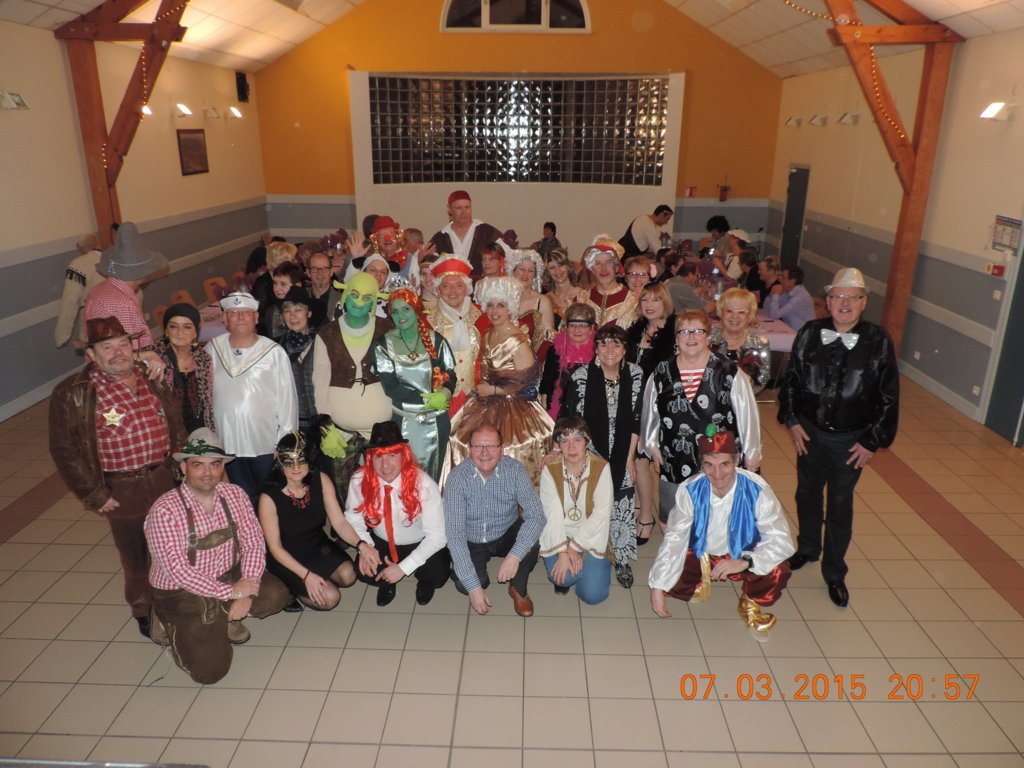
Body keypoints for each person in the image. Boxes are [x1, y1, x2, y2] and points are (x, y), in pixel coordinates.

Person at [49, 317, 186, 640]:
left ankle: (173, 603)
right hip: (122, 488)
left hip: (162, 479)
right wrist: (94, 493)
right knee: (136, 557)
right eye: (107, 347)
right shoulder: (74, 393)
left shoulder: (150, 377)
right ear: (91, 354)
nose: (118, 352)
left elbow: (175, 422)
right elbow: (65, 450)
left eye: (123, 344)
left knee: (170, 548)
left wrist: (181, 463)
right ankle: (144, 611)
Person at [779, 267, 899, 608]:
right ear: (827, 301)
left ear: (864, 302)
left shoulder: (878, 341)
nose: (844, 303)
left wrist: (872, 441)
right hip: (809, 433)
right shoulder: (809, 332)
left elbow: (889, 396)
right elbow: (791, 380)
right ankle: (807, 548)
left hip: (851, 440)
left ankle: (834, 572)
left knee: (840, 505)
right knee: (807, 494)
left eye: (852, 298)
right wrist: (792, 420)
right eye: (838, 297)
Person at [145, 428, 290, 683]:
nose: (208, 472)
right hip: (179, 590)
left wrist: (249, 590)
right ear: (183, 468)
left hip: (227, 572)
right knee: (210, 672)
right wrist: (232, 593)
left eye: (214, 464)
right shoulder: (165, 510)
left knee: (275, 595)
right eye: (198, 465)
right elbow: (178, 571)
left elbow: (254, 543)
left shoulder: (235, 495)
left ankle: (221, 614)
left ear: (223, 466)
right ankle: (165, 618)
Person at [648, 430, 794, 632]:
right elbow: (674, 538)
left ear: (736, 461)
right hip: (701, 553)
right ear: (701, 464)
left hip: (744, 553)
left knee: (778, 569)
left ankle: (750, 600)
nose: (717, 475)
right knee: (669, 578)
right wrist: (657, 585)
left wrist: (746, 561)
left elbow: (781, 540)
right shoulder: (690, 489)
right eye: (709, 465)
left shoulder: (758, 490)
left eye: (724, 464)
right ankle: (698, 582)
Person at [642, 310, 762, 525]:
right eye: (684, 331)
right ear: (676, 338)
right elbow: (650, 410)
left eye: (697, 331)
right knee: (674, 517)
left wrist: (752, 452)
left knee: (718, 517)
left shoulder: (729, 370)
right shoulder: (661, 371)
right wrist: (651, 444)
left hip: (719, 457)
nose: (691, 336)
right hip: (675, 454)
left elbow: (748, 414)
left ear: (708, 337)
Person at [445, 277, 554, 485]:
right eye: (490, 305)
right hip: (485, 402)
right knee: (458, 436)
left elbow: (528, 385)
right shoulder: (488, 334)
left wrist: (493, 390)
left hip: (516, 406)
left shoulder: (518, 341)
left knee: (510, 445)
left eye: (501, 305)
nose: (494, 311)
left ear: (510, 308)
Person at [563, 326, 643, 587]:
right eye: (604, 344)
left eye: (617, 344)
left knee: (622, 499)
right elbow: (571, 422)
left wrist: (630, 458)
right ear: (595, 348)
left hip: (623, 449)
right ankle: (580, 550)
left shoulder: (636, 374)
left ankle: (621, 557)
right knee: (588, 503)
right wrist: (579, 459)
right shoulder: (581, 376)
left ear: (625, 350)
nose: (610, 350)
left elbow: (636, 420)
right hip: (590, 451)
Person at [345, 421, 450, 606]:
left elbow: (438, 536)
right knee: (363, 571)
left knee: (437, 575)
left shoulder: (424, 485)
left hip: (419, 540)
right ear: (370, 458)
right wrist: (366, 547)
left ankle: (424, 582)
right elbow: (353, 518)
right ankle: (386, 582)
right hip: (381, 539)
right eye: (378, 457)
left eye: (392, 455)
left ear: (404, 456)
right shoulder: (359, 480)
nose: (385, 465)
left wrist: (403, 568)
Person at [208, 291, 298, 504]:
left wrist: (285, 443)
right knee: (240, 499)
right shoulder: (213, 349)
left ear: (256, 318)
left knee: (273, 498)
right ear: (224, 319)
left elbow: (287, 399)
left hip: (265, 444)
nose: (240, 317)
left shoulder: (273, 352)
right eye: (233, 312)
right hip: (227, 443)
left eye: (246, 312)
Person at [444, 423, 544, 616]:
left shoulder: (515, 470)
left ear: (502, 448)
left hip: (505, 531)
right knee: (466, 584)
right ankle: (472, 577)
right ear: (469, 448)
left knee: (532, 541)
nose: (484, 453)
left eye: (491, 446)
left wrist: (515, 555)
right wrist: (474, 588)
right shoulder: (457, 479)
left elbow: (536, 514)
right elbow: (454, 534)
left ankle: (518, 588)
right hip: (472, 538)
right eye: (478, 446)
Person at [258, 430, 361, 610]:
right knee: (330, 598)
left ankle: (318, 578)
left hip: (316, 545)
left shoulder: (321, 480)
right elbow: (275, 548)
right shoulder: (268, 498)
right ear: (278, 461)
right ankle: (289, 587)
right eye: (289, 461)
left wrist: (361, 545)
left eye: (301, 460)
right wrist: (306, 576)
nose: (296, 467)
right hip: (286, 555)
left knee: (349, 575)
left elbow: (339, 522)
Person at [372, 288, 457, 481]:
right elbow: (391, 387)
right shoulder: (383, 345)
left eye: (406, 309)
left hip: (437, 422)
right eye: (395, 311)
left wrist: (444, 394)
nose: (400, 315)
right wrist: (425, 400)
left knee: (434, 479)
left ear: (416, 310)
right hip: (403, 423)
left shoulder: (436, 340)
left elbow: (450, 374)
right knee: (403, 478)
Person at [539, 417, 614, 604]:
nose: (571, 447)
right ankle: (574, 572)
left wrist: (575, 547)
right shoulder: (550, 470)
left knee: (593, 596)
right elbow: (551, 515)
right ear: (559, 445)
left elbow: (601, 514)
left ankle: (589, 569)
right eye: (565, 441)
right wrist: (563, 553)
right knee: (563, 578)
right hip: (561, 534)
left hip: (592, 535)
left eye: (577, 440)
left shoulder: (601, 468)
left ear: (587, 442)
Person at [313, 272, 394, 439]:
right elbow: (320, 382)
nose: (359, 302)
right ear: (345, 296)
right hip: (341, 433)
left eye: (366, 297)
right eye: (354, 295)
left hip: (383, 433)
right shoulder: (327, 333)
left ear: (373, 302)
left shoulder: (387, 329)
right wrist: (326, 427)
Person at [625, 282, 676, 544]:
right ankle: (637, 507)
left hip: (659, 407)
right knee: (633, 458)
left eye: (655, 299)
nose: (649, 304)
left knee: (642, 460)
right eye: (645, 299)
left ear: (665, 302)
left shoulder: (674, 333)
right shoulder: (637, 330)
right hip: (632, 403)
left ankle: (646, 516)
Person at [83, 222, 167, 378]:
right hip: (118, 377)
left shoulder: (100, 289)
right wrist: (150, 357)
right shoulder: (121, 303)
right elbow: (123, 356)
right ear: (142, 272)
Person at [426, 255, 489, 412]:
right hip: (441, 402)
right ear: (438, 290)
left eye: (458, 286)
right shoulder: (426, 320)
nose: (453, 291)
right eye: (446, 286)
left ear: (467, 289)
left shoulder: (483, 317)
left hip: (478, 401)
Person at [156, 303, 214, 432]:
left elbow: (207, 402)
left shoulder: (203, 359)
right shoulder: (156, 357)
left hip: (199, 427)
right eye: (173, 326)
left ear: (195, 332)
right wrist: (146, 355)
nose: (180, 332)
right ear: (166, 331)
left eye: (187, 327)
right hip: (167, 429)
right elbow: (125, 357)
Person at [429, 190, 506, 280]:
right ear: (450, 209)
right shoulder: (440, 238)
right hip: (452, 288)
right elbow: (429, 267)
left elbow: (509, 255)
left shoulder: (487, 231)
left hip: (482, 287)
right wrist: (420, 259)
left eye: (467, 207)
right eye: (458, 208)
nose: (464, 211)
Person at [708, 288, 771, 394]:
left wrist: (738, 396)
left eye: (741, 312)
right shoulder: (707, 338)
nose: (735, 316)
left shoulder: (759, 344)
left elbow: (762, 379)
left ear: (749, 316)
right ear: (721, 313)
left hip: (743, 400)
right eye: (729, 311)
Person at [539, 302, 595, 418]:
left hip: (588, 408)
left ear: (591, 328)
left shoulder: (598, 352)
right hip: (558, 410)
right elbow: (546, 383)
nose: (577, 330)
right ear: (566, 327)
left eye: (582, 325)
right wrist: (545, 410)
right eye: (573, 325)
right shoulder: (555, 350)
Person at [277, 287, 318, 432]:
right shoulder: (277, 350)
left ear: (309, 313)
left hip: (323, 422)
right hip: (292, 425)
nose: (292, 316)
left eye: (298, 310)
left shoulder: (322, 343)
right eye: (287, 311)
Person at [55, 232, 104, 348]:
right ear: (98, 244)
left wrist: (61, 337)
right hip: (121, 321)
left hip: (93, 323)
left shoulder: (78, 265)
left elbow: (70, 301)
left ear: (80, 248)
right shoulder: (112, 259)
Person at [506, 248, 555, 353]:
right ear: (513, 271)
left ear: (535, 275)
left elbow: (548, 340)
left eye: (530, 271)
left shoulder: (543, 302)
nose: (525, 274)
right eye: (522, 269)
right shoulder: (502, 299)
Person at [582, 240, 638, 329]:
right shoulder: (581, 299)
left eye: (608, 262)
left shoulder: (634, 301)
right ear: (592, 269)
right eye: (598, 263)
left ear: (616, 267)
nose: (603, 268)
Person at [763, 265, 815, 331]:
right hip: (789, 330)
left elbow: (775, 315)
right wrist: (771, 295)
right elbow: (766, 310)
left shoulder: (800, 297)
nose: (779, 280)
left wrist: (775, 295)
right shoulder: (788, 291)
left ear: (792, 281)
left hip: (801, 334)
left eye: (783, 278)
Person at [543, 247, 584, 322]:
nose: (557, 271)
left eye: (560, 265)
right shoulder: (545, 300)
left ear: (568, 266)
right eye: (552, 268)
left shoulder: (583, 296)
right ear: (547, 272)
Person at [306, 251, 343, 329]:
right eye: (315, 269)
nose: (320, 273)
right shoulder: (301, 298)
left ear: (331, 272)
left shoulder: (342, 300)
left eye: (325, 269)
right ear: (308, 272)